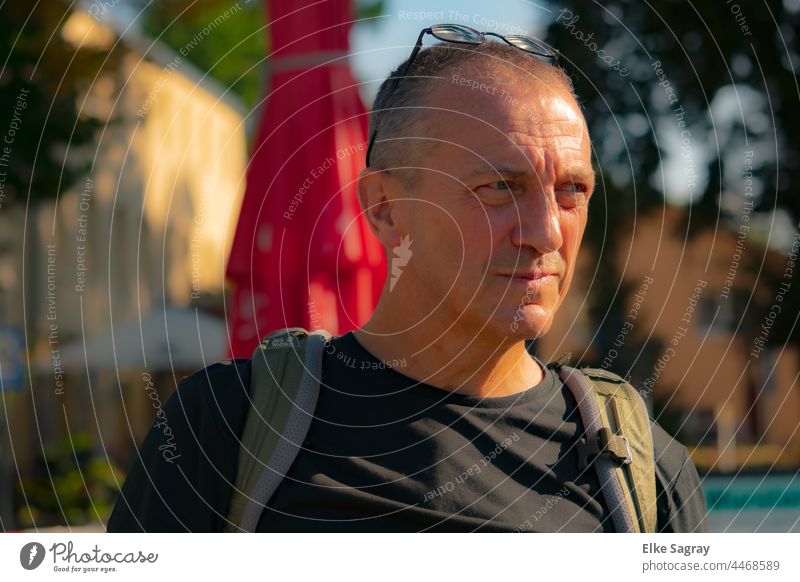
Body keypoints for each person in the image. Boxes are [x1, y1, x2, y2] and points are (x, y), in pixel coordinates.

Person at [107, 24, 708, 533]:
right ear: (386, 209)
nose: (548, 231)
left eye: (572, 190)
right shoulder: (230, 426)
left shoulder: (639, 471)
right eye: (500, 188)